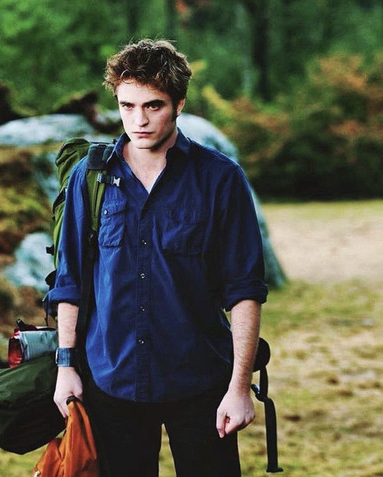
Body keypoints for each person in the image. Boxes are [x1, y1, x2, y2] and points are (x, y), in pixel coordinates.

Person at [48, 39, 268, 477]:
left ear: (179, 104)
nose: (139, 120)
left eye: (153, 106)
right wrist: (66, 367)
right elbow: (69, 280)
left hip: (200, 380)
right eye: (127, 106)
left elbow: (244, 290)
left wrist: (239, 387)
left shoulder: (220, 178)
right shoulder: (90, 177)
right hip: (111, 380)